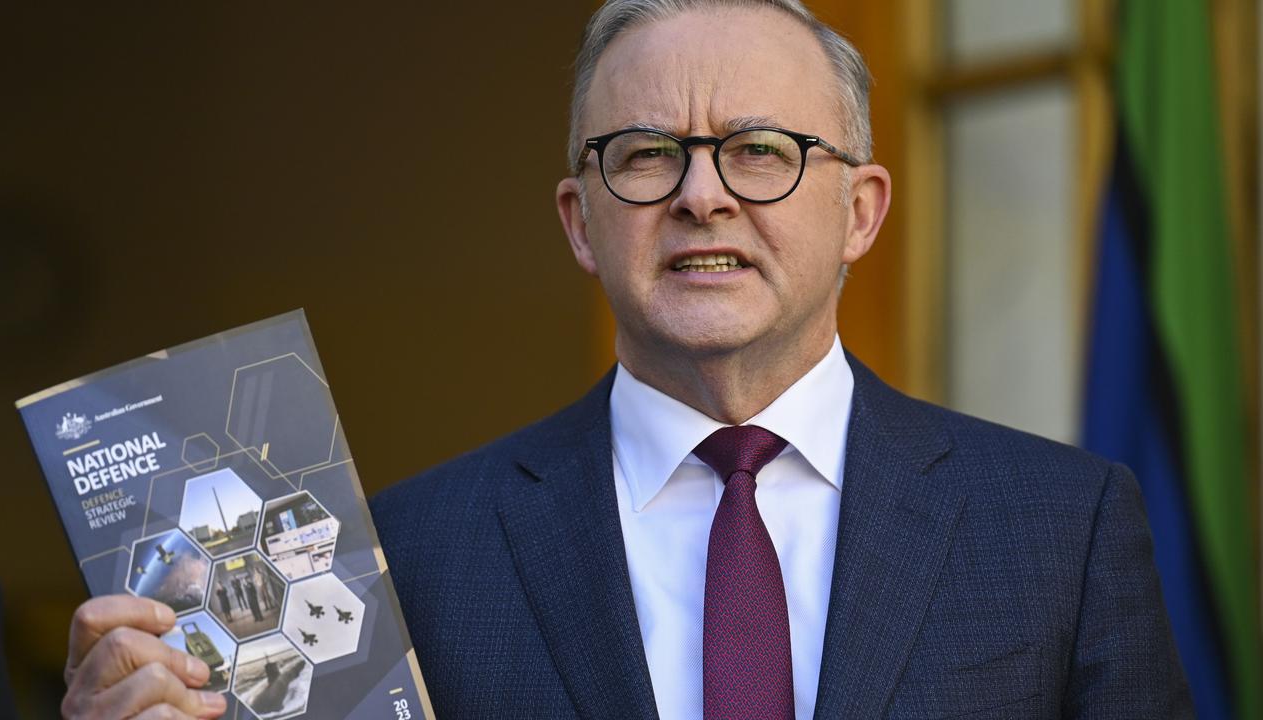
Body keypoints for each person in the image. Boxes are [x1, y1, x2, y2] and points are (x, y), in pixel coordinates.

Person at [58, 1, 1191, 718]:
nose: (702, 195)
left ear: (859, 209)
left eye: (760, 151)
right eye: (645, 155)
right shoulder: (399, 557)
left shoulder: (1062, 526)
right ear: (576, 219)